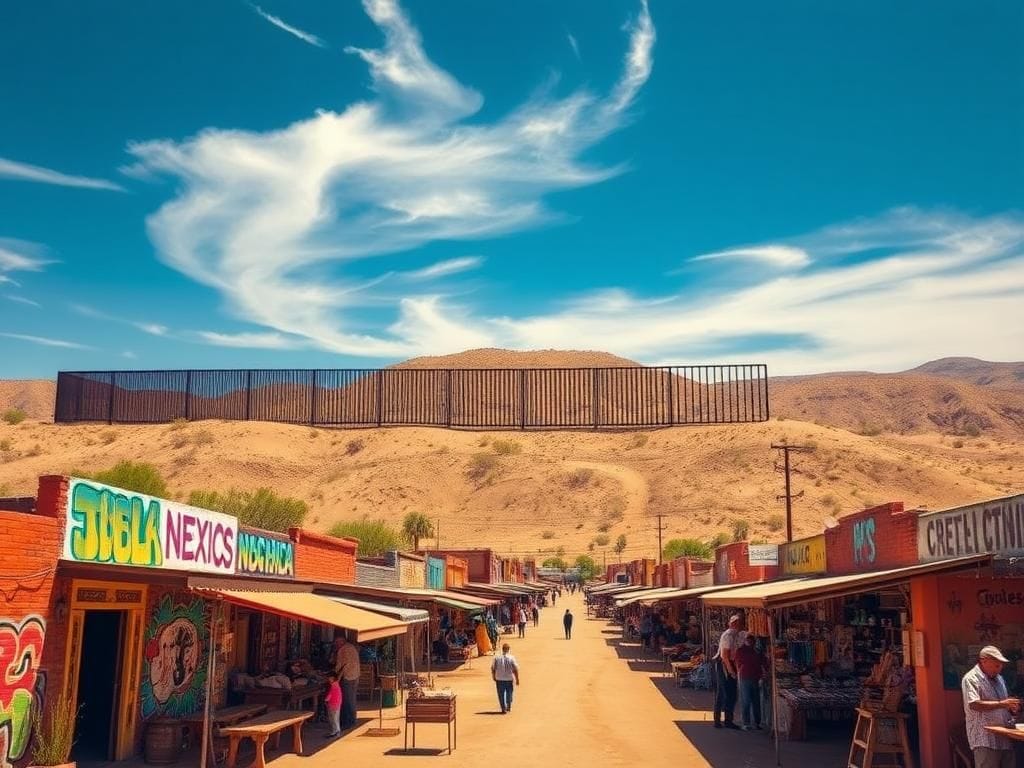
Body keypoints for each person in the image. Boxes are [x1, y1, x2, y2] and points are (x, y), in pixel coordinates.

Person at [962, 645, 1021, 768]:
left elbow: (1003, 703)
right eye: (996, 665)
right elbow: (974, 704)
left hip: (1005, 737)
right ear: (984, 661)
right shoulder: (971, 678)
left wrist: (1011, 708)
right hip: (985, 739)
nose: (999, 669)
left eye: (1000, 666)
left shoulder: (999, 679)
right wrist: (1002, 704)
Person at [713, 614, 742, 729]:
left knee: (731, 694)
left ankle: (728, 720)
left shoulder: (735, 635)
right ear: (732, 624)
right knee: (723, 692)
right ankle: (718, 720)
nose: (739, 625)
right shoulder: (728, 635)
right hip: (724, 665)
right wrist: (731, 671)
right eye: (737, 623)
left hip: (730, 664)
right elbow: (724, 656)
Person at [735, 633, 764, 730]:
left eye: (752, 640)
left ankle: (756, 722)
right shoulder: (741, 651)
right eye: (748, 640)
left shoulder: (756, 651)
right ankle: (746, 723)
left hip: (754, 677)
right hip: (745, 677)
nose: (750, 642)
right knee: (746, 701)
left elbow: (762, 662)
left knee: (755, 701)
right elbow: (738, 663)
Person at [334, 634, 361, 730]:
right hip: (355, 675)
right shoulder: (352, 647)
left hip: (348, 677)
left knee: (347, 700)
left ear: (342, 641)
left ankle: (348, 721)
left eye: (337, 642)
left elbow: (339, 665)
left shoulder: (342, 650)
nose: (336, 644)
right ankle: (352, 720)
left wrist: (334, 673)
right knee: (352, 699)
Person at [491, 642, 520, 714]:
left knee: (500, 694)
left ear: (502, 649)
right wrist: (517, 679)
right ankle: (508, 705)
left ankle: (503, 708)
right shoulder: (511, 658)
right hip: (509, 678)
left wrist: (494, 676)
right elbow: (515, 669)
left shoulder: (496, 658)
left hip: (499, 679)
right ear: (508, 649)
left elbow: (493, 668)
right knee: (509, 693)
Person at [324, 672, 343, 737]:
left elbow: (330, 695)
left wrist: (326, 699)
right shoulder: (336, 685)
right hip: (336, 704)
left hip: (333, 704)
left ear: (332, 678)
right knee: (336, 718)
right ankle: (337, 730)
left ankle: (335, 731)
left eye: (329, 678)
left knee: (333, 719)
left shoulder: (334, 686)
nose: (328, 679)